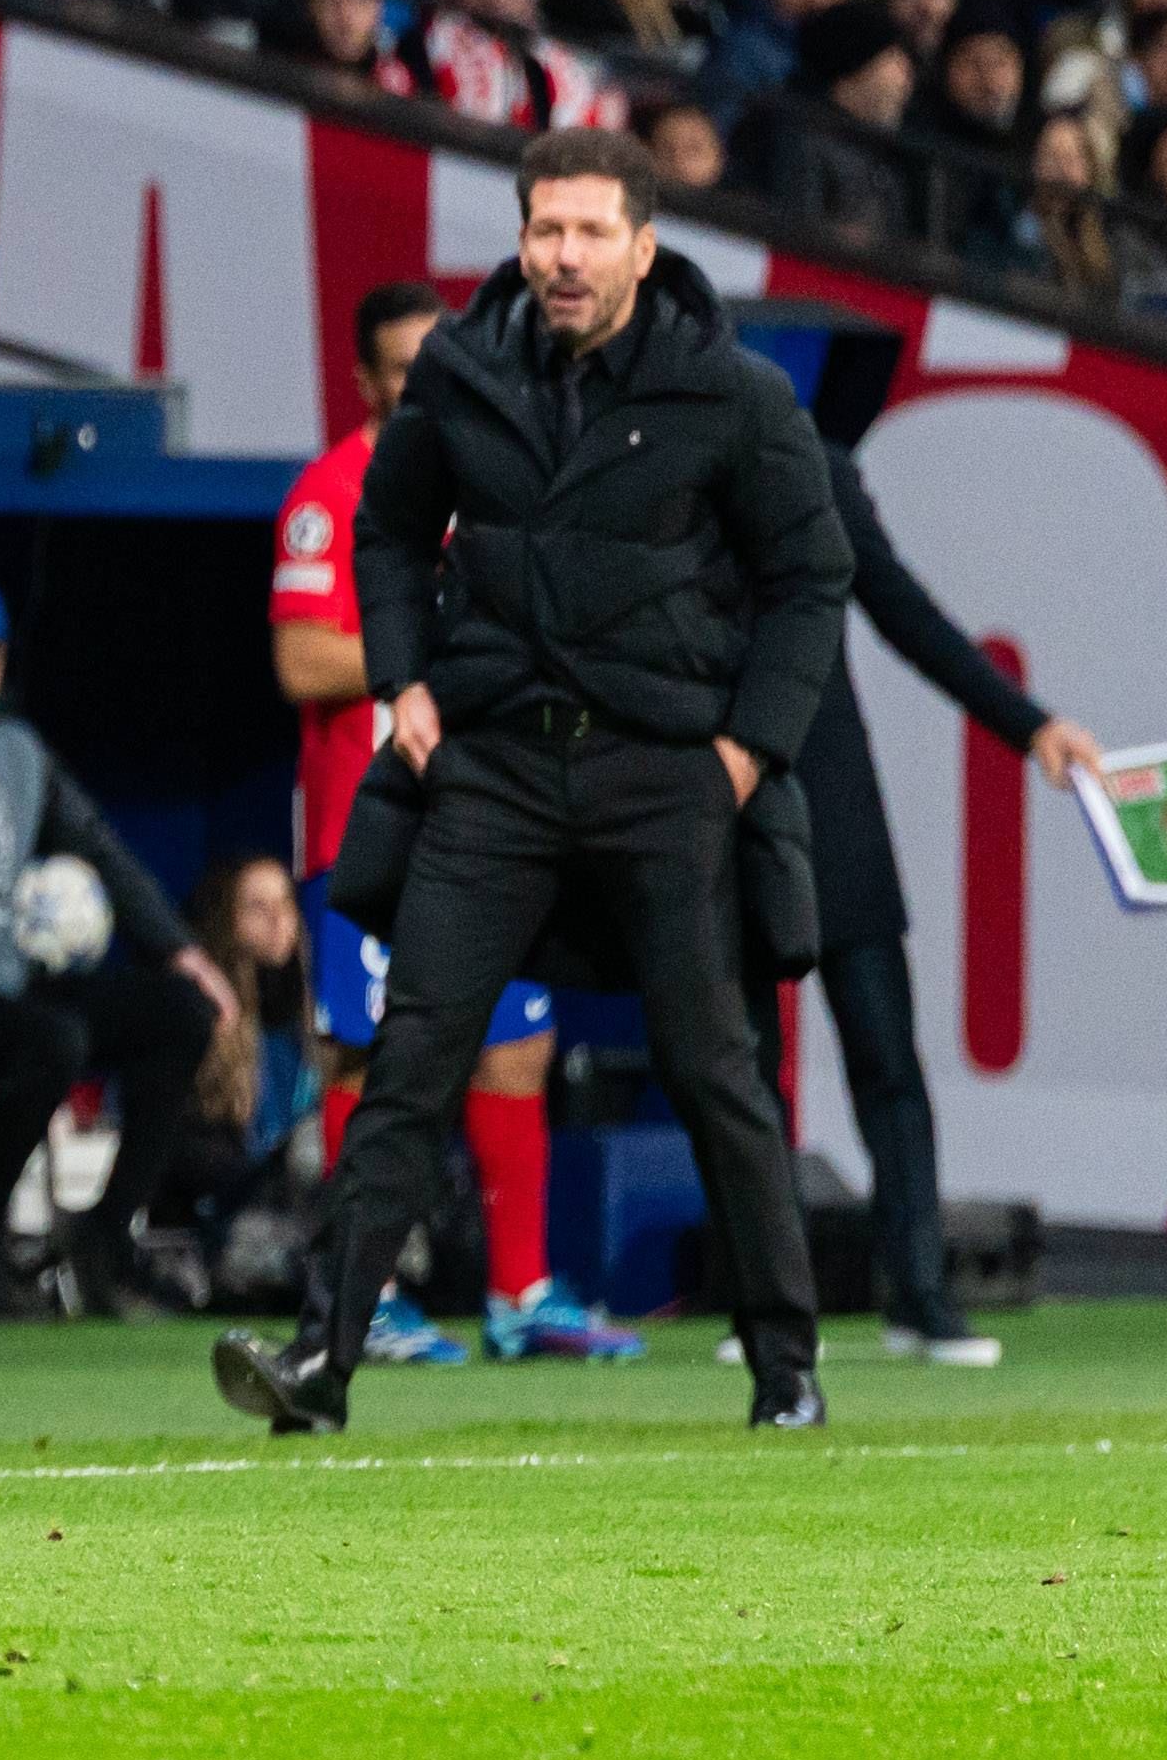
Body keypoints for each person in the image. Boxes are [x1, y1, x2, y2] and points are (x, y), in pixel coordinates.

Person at [219, 130, 852, 1439]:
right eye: (543, 230)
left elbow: (810, 576)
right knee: (412, 1061)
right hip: (496, 768)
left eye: (588, 232)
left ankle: (784, 1367)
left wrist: (747, 750)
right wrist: (402, 681)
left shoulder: (727, 390)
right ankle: (319, 1365)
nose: (562, 256)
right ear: (520, 240)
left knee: (711, 1066)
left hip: (665, 769)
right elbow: (389, 532)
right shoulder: (459, 368)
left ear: (643, 246)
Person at [267, 279, 626, 1367]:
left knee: (515, 1048)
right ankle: (358, 1294)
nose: (426, 378)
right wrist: (442, 645)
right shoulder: (331, 493)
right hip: (366, 827)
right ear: (367, 378)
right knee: (365, 1055)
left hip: (494, 815)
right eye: (403, 363)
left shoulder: (493, 482)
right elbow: (300, 657)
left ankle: (519, 1293)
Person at [748, 430, 1109, 1369]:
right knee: (736, 1067)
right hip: (718, 802)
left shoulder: (808, 464)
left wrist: (1027, 725)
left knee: (883, 1056)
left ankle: (921, 1295)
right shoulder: (656, 462)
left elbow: (905, 612)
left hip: (831, 803)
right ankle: (771, 1308)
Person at [0, 581, 234, 1315]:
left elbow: (100, 849)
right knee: (52, 1037)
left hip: (3, 981)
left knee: (179, 1014)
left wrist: (180, 951)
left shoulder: (19, 753)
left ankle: (105, 1235)